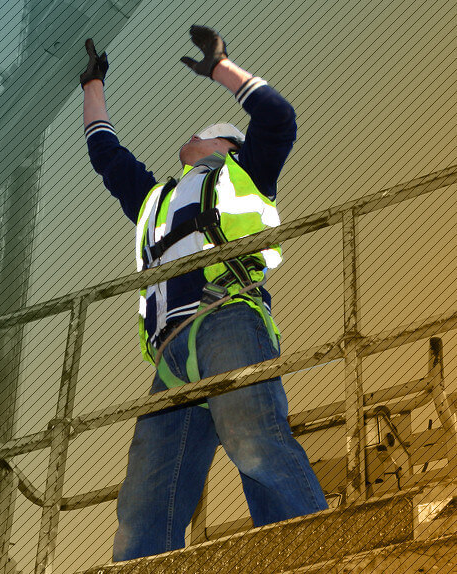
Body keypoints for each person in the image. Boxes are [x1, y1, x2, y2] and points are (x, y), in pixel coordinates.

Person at [80, 26, 328, 561]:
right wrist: (92, 86)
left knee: (254, 443)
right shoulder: (155, 199)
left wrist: (222, 67)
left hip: (227, 321)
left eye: (206, 132)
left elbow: (278, 119)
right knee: (145, 499)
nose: (191, 136)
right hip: (173, 355)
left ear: (226, 146)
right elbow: (106, 155)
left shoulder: (244, 173)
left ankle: (312, 555)